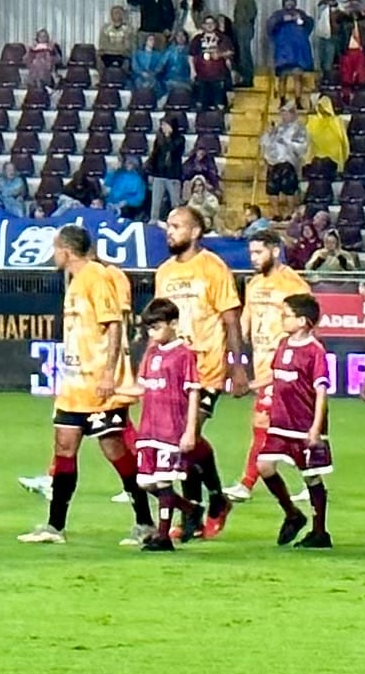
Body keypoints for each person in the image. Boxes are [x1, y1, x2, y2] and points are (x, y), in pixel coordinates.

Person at [20, 224, 151, 546]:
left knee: (114, 450)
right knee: (64, 448)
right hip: (74, 385)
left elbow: (114, 324)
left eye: (55, 249)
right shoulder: (77, 282)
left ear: (65, 249)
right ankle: (54, 527)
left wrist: (109, 373)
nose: (54, 255)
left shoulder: (96, 277)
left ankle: (145, 522)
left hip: (99, 385)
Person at [149, 205, 238, 534]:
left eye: (177, 226)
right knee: (185, 440)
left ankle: (192, 514)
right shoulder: (165, 272)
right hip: (175, 369)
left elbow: (230, 317)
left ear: (196, 231)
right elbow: (159, 322)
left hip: (206, 367)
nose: (170, 231)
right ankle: (214, 498)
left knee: (184, 437)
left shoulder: (213, 267)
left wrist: (237, 366)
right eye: (168, 226)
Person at [226, 223, 314, 513]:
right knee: (286, 429)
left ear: (275, 252)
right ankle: (312, 479)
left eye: (258, 252)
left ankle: (246, 483)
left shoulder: (293, 284)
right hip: (262, 362)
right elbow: (246, 323)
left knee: (263, 424)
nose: (253, 258)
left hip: (285, 368)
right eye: (251, 252)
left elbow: (307, 320)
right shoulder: (253, 284)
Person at [257, 293, 333, 547]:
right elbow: (276, 375)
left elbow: (321, 391)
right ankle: (291, 513)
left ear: (302, 321)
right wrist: (249, 385)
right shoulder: (283, 344)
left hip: (304, 425)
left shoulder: (315, 351)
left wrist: (315, 429)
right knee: (264, 466)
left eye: (286, 315)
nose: (282, 319)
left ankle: (320, 531)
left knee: (311, 476)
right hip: (280, 422)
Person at [131, 298, 202, 551]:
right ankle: (191, 508)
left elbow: (193, 392)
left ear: (173, 324)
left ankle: (163, 537)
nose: (153, 333)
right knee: (145, 482)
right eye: (149, 328)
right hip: (148, 427)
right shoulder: (151, 354)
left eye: (157, 327)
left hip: (171, 429)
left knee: (163, 482)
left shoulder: (184, 355)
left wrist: (190, 430)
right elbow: (142, 386)